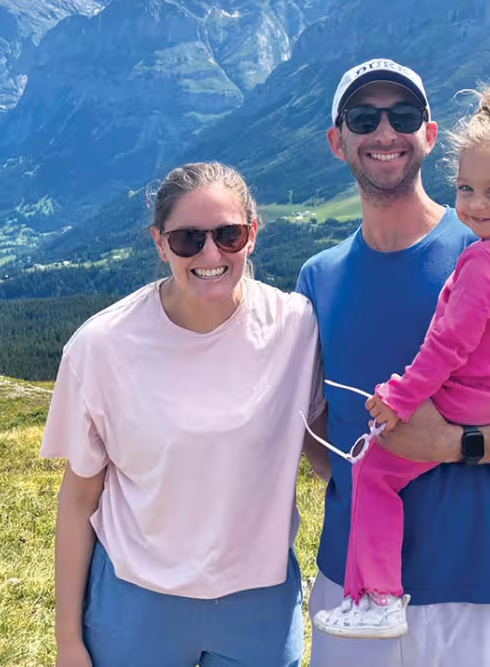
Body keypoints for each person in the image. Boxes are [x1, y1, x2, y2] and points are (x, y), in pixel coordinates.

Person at [297, 58, 490, 667]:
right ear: (338, 142)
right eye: (363, 118)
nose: (384, 131)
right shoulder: (318, 278)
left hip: (477, 583)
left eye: (403, 115)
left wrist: (458, 442)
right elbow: (310, 420)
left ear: (428, 134)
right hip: (347, 585)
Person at [40, 161, 322, 667]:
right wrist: (67, 641)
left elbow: (327, 448)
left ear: (252, 234)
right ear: (160, 242)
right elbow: (79, 496)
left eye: (229, 235)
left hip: (260, 603)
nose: (210, 254)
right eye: (188, 239)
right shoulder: (101, 346)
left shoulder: (297, 328)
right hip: (136, 602)